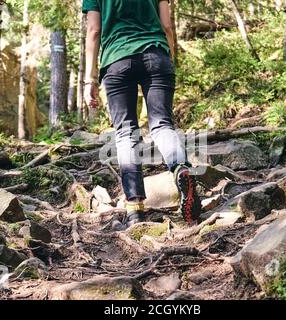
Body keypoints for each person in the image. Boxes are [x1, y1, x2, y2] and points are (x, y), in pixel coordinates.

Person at [83, 0, 201, 230]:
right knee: (162, 125)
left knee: (126, 132)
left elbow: (94, 30)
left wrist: (90, 79)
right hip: (156, 54)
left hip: (116, 61)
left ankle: (135, 209)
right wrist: (168, 57)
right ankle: (180, 168)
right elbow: (167, 25)